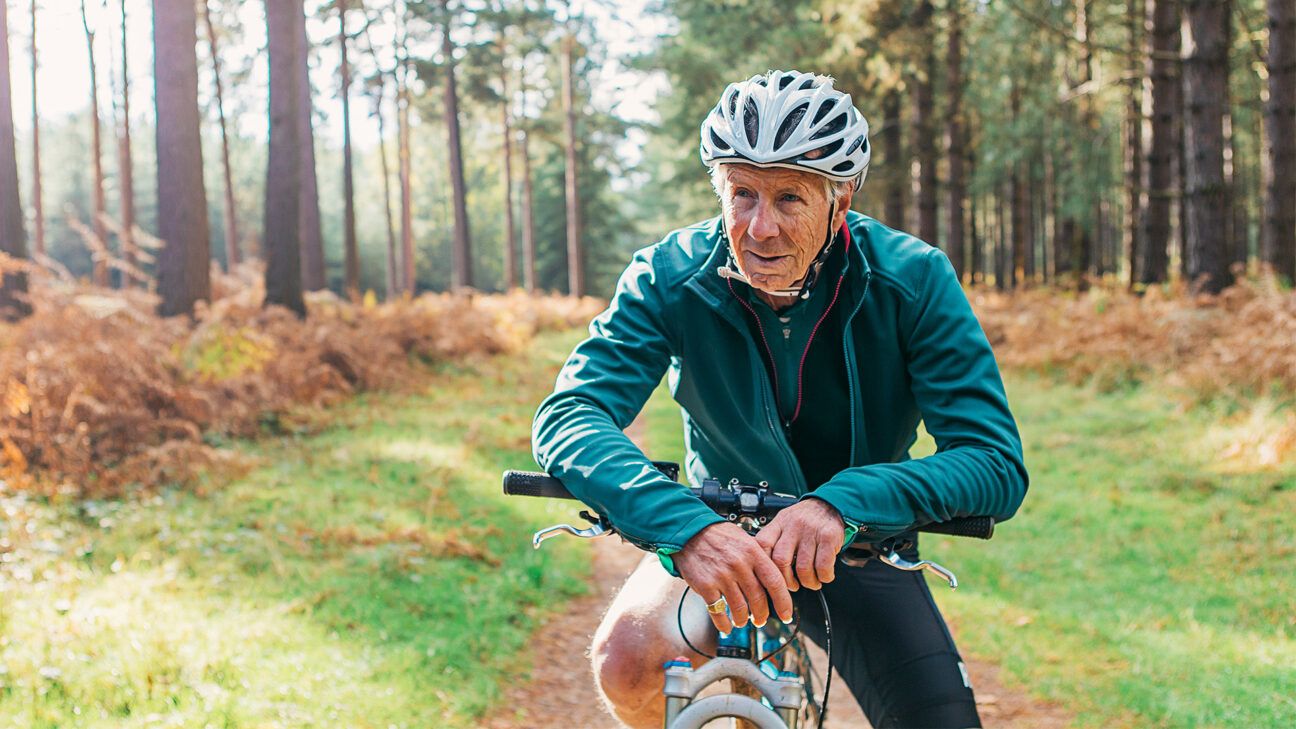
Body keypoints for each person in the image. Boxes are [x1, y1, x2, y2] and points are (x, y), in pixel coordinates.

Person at [531, 69, 1028, 729]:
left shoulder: (912, 279)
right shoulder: (669, 276)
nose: (759, 227)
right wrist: (685, 526)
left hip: (858, 541)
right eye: (741, 194)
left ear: (840, 199)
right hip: (717, 530)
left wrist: (844, 501)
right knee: (626, 658)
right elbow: (570, 415)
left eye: (789, 198)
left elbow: (993, 460)